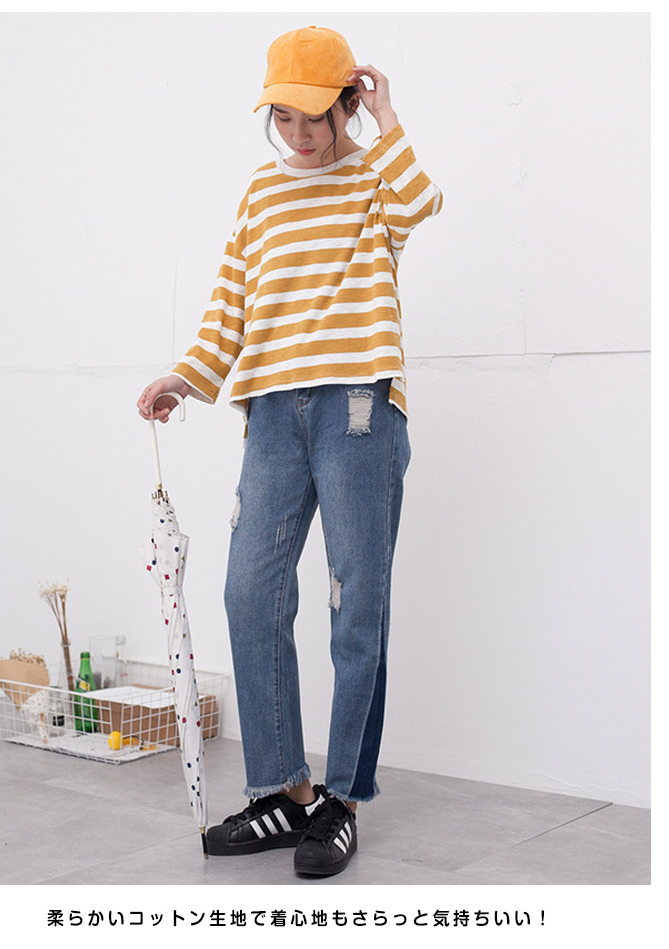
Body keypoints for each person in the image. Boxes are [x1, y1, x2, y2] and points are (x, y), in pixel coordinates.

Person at [137, 25, 442, 877]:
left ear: (347, 104)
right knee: (249, 591)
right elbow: (229, 304)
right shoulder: (261, 194)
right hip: (271, 411)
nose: (299, 134)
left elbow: (424, 203)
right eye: (283, 117)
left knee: (356, 602)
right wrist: (187, 377)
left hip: (358, 409)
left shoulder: (374, 181)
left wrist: (388, 118)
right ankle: (284, 790)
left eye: (315, 115)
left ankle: (343, 799)